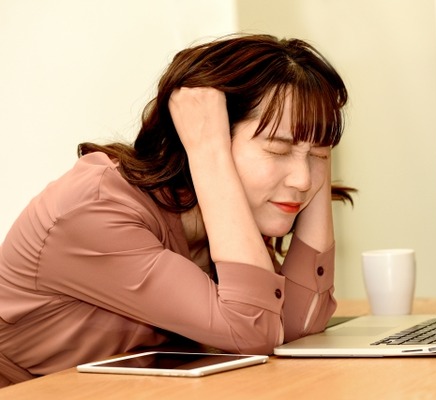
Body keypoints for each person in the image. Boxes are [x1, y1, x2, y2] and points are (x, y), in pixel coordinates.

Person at [0, 33, 354, 386]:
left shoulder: (231, 211)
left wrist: (316, 149)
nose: (303, 180)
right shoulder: (97, 209)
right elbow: (253, 330)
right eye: (278, 150)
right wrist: (207, 151)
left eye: (319, 155)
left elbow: (297, 327)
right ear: (208, 134)